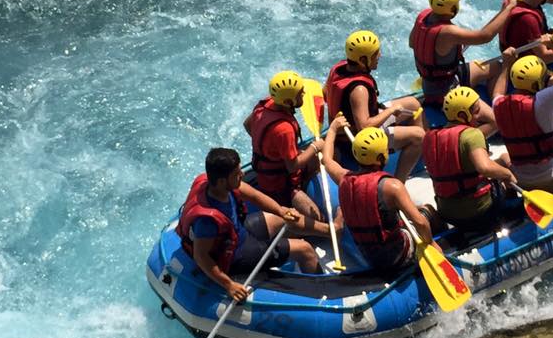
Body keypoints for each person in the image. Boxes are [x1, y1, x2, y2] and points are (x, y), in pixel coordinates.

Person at [177, 147, 323, 301]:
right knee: (305, 249)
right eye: (236, 174)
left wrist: (281, 211)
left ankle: (330, 231)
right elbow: (201, 257)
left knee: (280, 219)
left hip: (238, 232)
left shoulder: (213, 184)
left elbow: (254, 195)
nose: (243, 174)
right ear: (221, 181)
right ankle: (322, 294)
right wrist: (229, 285)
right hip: (235, 256)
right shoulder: (207, 222)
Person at [322, 118, 435, 272]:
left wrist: (333, 129)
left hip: (368, 255)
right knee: (427, 212)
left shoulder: (344, 179)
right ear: (381, 158)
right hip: (396, 255)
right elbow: (420, 223)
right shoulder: (393, 187)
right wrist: (431, 244)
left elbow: (327, 160)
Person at [324, 29, 425, 181]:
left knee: (413, 104)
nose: (379, 56)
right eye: (375, 54)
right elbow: (365, 127)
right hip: (361, 138)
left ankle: (418, 156)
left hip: (361, 117)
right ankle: (399, 181)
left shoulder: (339, 68)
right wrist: (391, 111)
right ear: (363, 60)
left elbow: (326, 91)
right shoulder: (359, 89)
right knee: (419, 136)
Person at [491, 43, 553, 194]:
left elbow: (497, 92)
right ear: (538, 82)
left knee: (504, 157)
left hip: (521, 181)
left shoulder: (498, 104)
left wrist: (506, 65)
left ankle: (503, 186)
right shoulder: (542, 101)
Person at [409, 0, 517, 117]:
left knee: (496, 66)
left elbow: (412, 43)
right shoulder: (448, 32)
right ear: (453, 8)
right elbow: (485, 36)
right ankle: (490, 118)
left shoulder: (423, 16)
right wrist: (510, 7)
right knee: (495, 121)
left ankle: (496, 102)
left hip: (432, 82)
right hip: (446, 92)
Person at [421, 86, 520, 232]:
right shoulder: (472, 135)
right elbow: (484, 168)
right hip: (480, 210)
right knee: (505, 166)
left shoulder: (429, 138)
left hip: (447, 213)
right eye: (476, 112)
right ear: (463, 115)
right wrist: (508, 175)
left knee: (498, 166)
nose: (479, 116)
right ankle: (514, 217)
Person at [244, 70, 323, 225]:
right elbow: (292, 167)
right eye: (300, 94)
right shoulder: (284, 129)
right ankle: (299, 194)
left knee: (314, 159)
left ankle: (307, 184)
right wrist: (314, 146)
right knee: (317, 219)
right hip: (281, 185)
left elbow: (247, 125)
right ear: (287, 102)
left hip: (268, 171)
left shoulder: (265, 105)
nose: (304, 94)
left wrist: (268, 145)